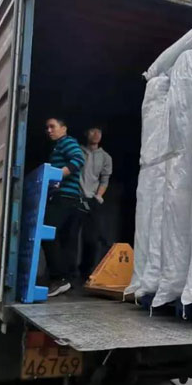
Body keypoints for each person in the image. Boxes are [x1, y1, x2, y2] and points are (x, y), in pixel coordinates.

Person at [42, 117, 85, 297]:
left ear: (64, 128)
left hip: (64, 198)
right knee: (67, 241)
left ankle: (59, 278)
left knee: (46, 233)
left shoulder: (66, 142)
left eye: (52, 127)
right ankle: (68, 280)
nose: (49, 130)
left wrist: (58, 175)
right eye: (47, 128)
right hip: (72, 199)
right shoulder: (59, 146)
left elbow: (79, 159)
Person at [79, 126, 113, 281]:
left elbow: (105, 180)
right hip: (75, 197)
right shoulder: (78, 151)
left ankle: (86, 273)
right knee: (70, 237)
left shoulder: (105, 157)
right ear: (86, 133)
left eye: (99, 131)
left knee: (92, 238)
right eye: (93, 131)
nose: (96, 134)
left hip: (93, 200)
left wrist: (98, 196)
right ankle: (67, 276)